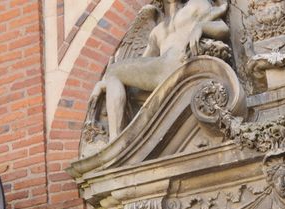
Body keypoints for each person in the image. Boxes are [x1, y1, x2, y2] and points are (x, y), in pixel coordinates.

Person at [88, 0, 229, 140]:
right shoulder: (157, 32)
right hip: (161, 72)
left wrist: (201, 27)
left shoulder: (196, 5)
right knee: (116, 74)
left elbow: (223, 28)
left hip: (183, 64)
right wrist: (104, 84)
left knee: (115, 71)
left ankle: (115, 140)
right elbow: (141, 66)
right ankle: (116, 142)